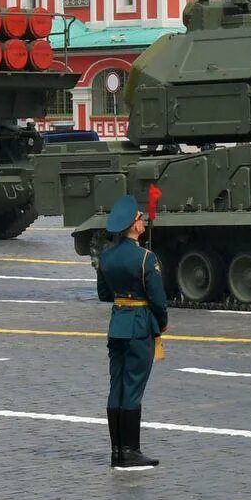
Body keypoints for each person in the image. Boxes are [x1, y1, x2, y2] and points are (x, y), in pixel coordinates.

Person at [96, 194, 167, 470]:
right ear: (133, 226)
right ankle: (130, 451)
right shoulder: (145, 259)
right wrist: (161, 324)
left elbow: (104, 294)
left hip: (117, 326)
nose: (143, 221)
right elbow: (158, 300)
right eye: (140, 218)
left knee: (117, 387)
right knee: (134, 389)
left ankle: (116, 451)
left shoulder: (106, 257)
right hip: (139, 326)